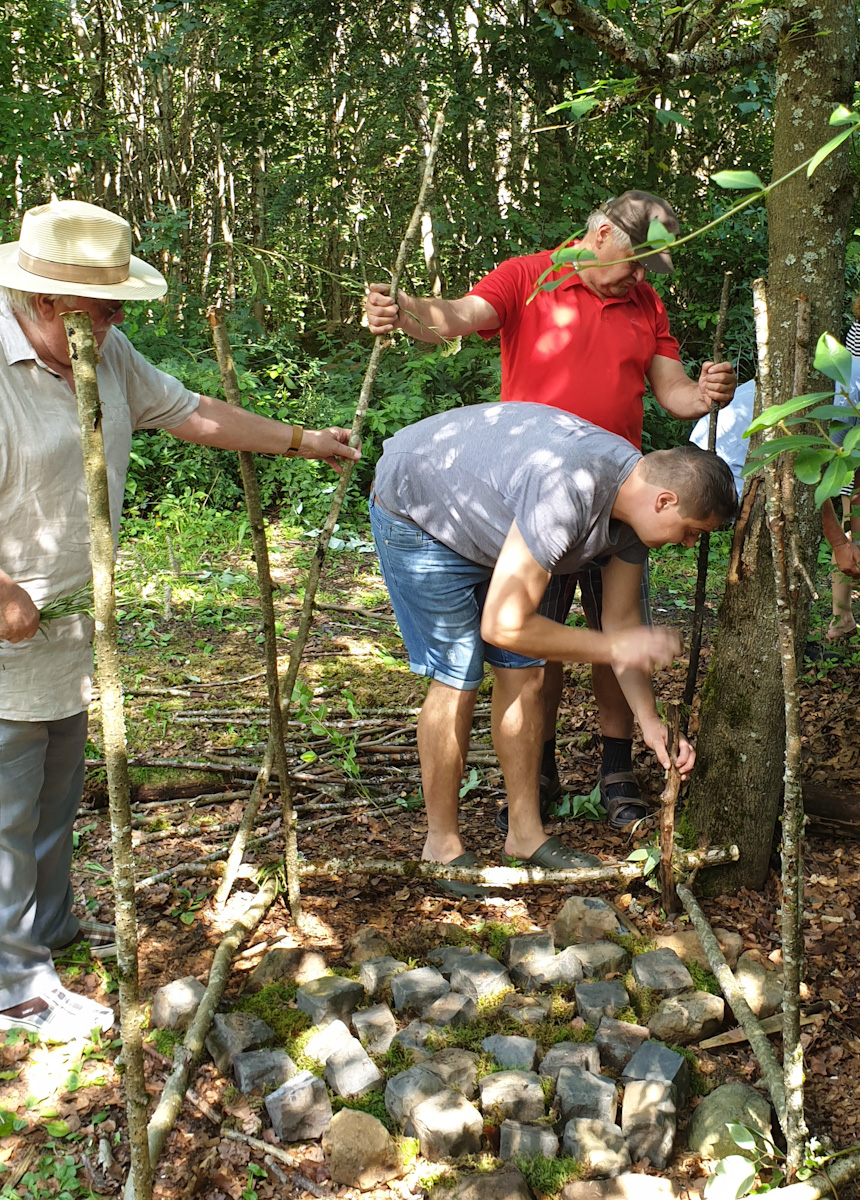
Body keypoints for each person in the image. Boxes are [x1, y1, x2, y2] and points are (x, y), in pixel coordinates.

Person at [0, 198, 360, 1042]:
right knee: (6, 807)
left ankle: (44, 935)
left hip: (70, 629)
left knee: (54, 793)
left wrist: (301, 440)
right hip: (7, 631)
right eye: (100, 305)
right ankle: (13, 985)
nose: (116, 318)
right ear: (44, 300)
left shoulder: (106, 351)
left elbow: (191, 409)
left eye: (121, 304)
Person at [365, 190, 737, 832]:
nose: (643, 276)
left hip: (618, 486)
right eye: (638, 260)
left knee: (540, 659)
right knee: (498, 657)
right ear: (599, 235)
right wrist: (405, 313)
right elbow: (458, 316)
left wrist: (701, 397)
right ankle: (461, 829)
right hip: (516, 496)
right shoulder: (530, 275)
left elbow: (671, 389)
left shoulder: (644, 304)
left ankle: (552, 814)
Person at [370, 401, 738, 890]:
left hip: (488, 520)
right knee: (458, 673)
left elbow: (621, 622)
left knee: (526, 672)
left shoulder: (632, 515)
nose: (690, 544)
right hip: (420, 511)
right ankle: (441, 846)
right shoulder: (569, 489)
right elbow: (504, 627)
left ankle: (525, 835)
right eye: (692, 532)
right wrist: (612, 650)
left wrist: (651, 725)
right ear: (665, 501)